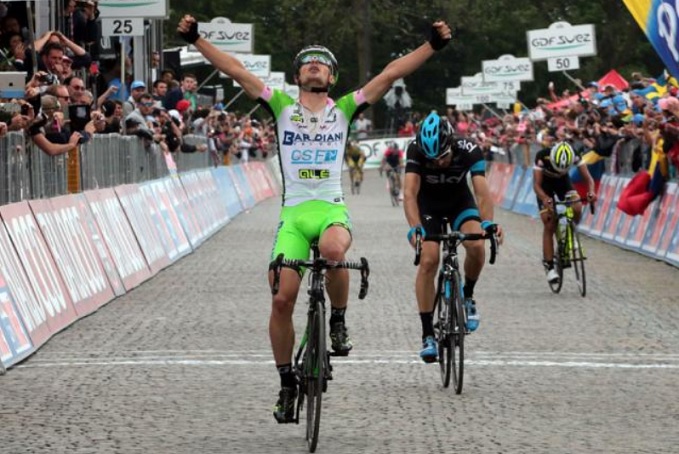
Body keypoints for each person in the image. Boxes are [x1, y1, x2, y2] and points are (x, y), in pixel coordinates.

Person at [177, 13, 452, 423]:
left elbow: (391, 72)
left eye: (321, 61)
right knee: (282, 297)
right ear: (297, 74)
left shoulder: (344, 109)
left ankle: (337, 321)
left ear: (332, 75)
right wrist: (198, 39)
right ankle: (287, 384)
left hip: (330, 210)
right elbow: (235, 70)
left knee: (332, 249)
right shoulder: (281, 106)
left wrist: (431, 45)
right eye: (307, 61)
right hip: (292, 216)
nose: (314, 64)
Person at [403, 112, 503, 363]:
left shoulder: (469, 148)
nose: (437, 163)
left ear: (452, 145)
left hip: (460, 202)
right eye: (432, 159)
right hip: (429, 207)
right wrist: (415, 228)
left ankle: (467, 295)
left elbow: (482, 193)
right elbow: (410, 194)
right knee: (428, 260)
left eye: (442, 157)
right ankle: (428, 334)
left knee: (476, 244)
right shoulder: (415, 149)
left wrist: (488, 222)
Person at [533, 140, 597, 284]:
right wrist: (544, 198)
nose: (560, 170)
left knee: (577, 206)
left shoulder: (575, 155)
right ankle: (549, 267)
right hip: (545, 186)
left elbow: (588, 179)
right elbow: (536, 185)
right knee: (549, 223)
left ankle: (571, 232)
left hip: (563, 183)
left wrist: (591, 192)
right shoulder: (542, 156)